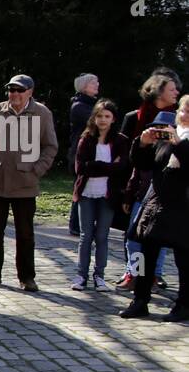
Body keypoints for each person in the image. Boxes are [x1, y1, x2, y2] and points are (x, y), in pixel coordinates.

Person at [0, 74, 59, 292]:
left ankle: (27, 277)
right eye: (11, 90)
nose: (14, 94)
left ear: (30, 92)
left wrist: (37, 170)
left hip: (25, 183)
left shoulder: (41, 113)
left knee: (25, 233)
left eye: (19, 90)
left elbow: (50, 146)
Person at [120, 110, 188, 321]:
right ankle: (139, 300)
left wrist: (179, 144)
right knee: (143, 255)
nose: (184, 114)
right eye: (183, 110)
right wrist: (143, 143)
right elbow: (144, 164)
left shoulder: (180, 140)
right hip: (156, 207)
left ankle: (184, 305)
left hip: (183, 210)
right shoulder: (167, 137)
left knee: (184, 261)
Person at [117, 72, 180, 290]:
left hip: (166, 185)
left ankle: (154, 274)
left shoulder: (178, 119)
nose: (177, 92)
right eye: (172, 89)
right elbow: (129, 155)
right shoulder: (135, 117)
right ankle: (134, 273)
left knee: (159, 235)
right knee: (135, 234)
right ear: (158, 90)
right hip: (139, 183)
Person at [71, 99, 130, 291]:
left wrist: (96, 166)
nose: (103, 120)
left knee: (102, 236)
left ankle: (100, 275)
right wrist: (108, 167)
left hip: (108, 195)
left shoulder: (120, 141)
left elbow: (122, 168)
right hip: (87, 192)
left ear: (113, 119)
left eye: (107, 116)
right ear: (94, 118)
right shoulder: (86, 139)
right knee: (85, 235)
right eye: (99, 116)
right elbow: (81, 168)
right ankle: (81, 275)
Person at [67, 74, 100, 236]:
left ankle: (85, 223)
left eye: (97, 82)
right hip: (81, 154)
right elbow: (96, 123)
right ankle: (76, 224)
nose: (97, 85)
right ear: (84, 86)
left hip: (95, 152)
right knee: (81, 188)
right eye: (93, 82)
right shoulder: (79, 106)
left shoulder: (94, 105)